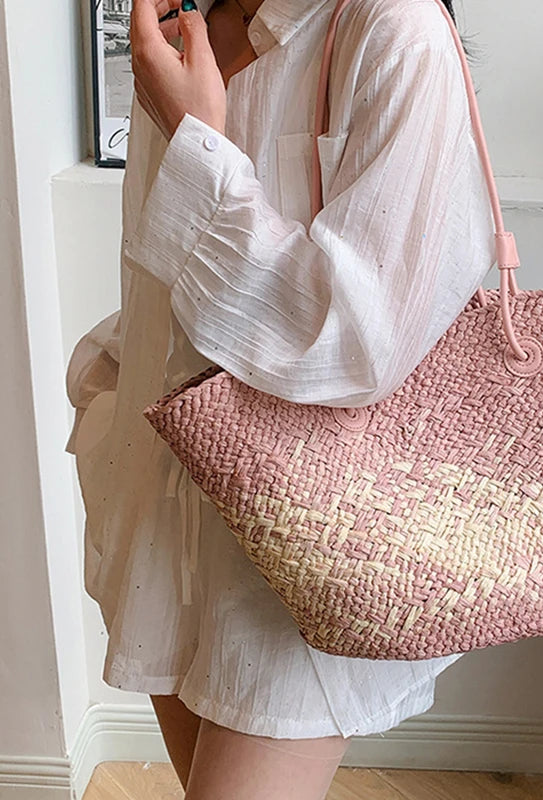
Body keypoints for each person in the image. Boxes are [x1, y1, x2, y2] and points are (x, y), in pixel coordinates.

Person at [65, 0, 495, 796]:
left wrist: (199, 147)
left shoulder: (396, 32)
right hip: (172, 495)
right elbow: (164, 282)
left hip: (304, 539)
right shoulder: (188, 26)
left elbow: (360, 338)